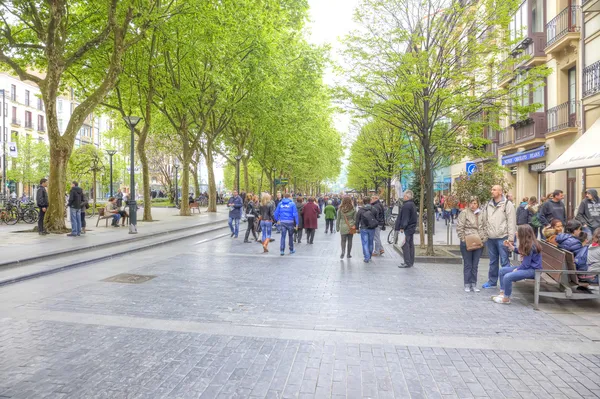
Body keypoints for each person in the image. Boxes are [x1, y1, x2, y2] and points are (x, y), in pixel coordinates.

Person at [492, 225, 542, 304]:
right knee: (502, 271)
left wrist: (517, 269)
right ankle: (502, 293)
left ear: (523, 234)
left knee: (507, 276)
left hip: (533, 270)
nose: (516, 233)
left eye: (518, 231)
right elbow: (522, 252)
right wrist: (511, 247)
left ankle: (506, 298)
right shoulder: (527, 243)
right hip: (528, 268)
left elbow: (526, 265)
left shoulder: (531, 246)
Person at [481, 185, 516, 289]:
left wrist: (511, 238)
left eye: (494, 190)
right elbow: (484, 220)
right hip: (491, 238)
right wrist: (485, 234)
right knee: (492, 261)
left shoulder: (507, 204)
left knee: (505, 261)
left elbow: (511, 222)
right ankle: (492, 281)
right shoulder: (488, 204)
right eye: (491, 189)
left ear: (500, 192)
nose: (492, 191)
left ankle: (505, 283)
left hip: (503, 237)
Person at [457, 197, 487, 292]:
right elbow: (460, 226)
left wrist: (484, 238)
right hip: (467, 240)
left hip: (479, 241)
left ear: (477, 204)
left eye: (475, 203)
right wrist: (463, 239)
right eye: (471, 203)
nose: (473, 205)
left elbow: (486, 226)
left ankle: (474, 284)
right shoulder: (464, 213)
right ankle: (467, 283)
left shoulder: (482, 213)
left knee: (475, 264)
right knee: (468, 264)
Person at [395, 190, 418, 268]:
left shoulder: (406, 206)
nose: (403, 197)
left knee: (405, 245)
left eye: (404, 196)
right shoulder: (412, 204)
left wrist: (402, 227)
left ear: (407, 197)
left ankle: (407, 262)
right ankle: (410, 261)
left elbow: (405, 218)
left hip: (407, 229)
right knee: (410, 244)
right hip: (411, 228)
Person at [356, 196, 378, 263]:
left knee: (365, 243)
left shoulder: (361, 210)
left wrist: (357, 228)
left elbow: (357, 220)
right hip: (372, 228)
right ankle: (370, 255)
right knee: (371, 242)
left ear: (363, 201)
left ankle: (366, 257)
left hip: (363, 228)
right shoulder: (374, 209)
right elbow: (376, 218)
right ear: (370, 201)